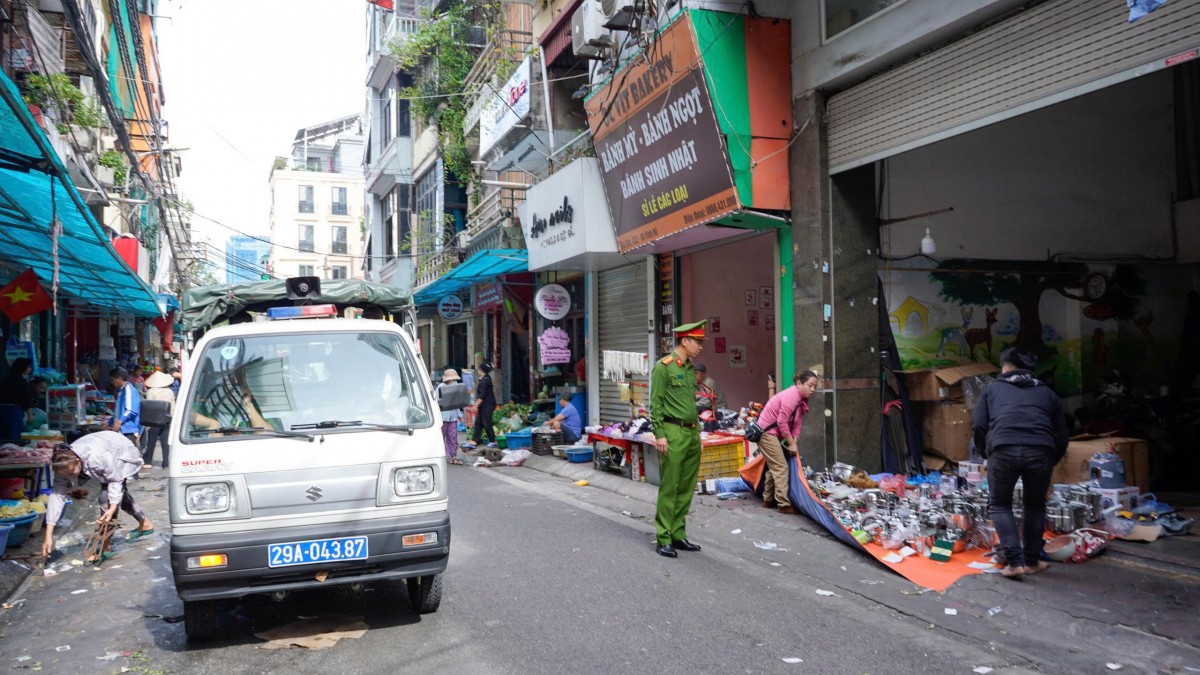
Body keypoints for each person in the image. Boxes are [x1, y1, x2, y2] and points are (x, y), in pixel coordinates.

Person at [972, 347, 1069, 579]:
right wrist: (1050, 460)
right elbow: (1063, 435)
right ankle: (1032, 562)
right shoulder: (1047, 393)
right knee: (1035, 505)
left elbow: (978, 426)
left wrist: (988, 454)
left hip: (1002, 450)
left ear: (1005, 367)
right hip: (1041, 451)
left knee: (1000, 504)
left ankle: (1015, 563)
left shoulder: (992, 390)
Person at [42, 431, 155, 564]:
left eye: (72, 473)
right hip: (102, 450)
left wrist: (112, 508)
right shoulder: (63, 464)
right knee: (117, 496)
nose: (70, 477)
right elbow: (57, 497)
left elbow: (115, 480)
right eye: (66, 475)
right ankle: (145, 524)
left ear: (78, 462)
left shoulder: (97, 458)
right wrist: (48, 536)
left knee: (106, 498)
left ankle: (104, 547)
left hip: (118, 450)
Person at [650, 320, 707, 558]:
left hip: (692, 433)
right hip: (673, 433)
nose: (701, 347)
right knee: (670, 486)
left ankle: (678, 533)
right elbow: (656, 403)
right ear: (685, 341)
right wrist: (660, 435)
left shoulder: (689, 369)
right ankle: (663, 536)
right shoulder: (664, 366)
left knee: (685, 487)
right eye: (698, 342)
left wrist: (698, 432)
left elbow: (690, 403)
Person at [755, 371, 820, 515]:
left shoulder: (802, 399)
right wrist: (791, 443)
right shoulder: (792, 396)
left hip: (774, 435)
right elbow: (782, 422)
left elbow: (797, 423)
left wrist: (794, 441)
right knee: (781, 467)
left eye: (815, 386)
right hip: (766, 434)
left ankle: (768, 499)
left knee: (776, 466)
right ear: (799, 384)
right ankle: (783, 504)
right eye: (810, 385)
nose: (813, 389)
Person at [141, 370, 175, 469]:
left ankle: (148, 461)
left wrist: (148, 423)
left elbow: (149, 406)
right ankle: (165, 463)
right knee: (165, 443)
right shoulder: (170, 391)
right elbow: (173, 406)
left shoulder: (151, 391)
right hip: (167, 419)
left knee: (151, 441)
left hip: (154, 420)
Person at [463, 362, 497, 449]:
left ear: (481, 370)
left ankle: (493, 440)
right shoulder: (485, 378)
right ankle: (475, 440)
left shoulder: (484, 381)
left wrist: (475, 406)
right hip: (484, 405)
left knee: (486, 422)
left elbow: (482, 395)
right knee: (478, 423)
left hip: (487, 405)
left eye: (478, 369)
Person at [436, 369, 466, 465]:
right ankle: (439, 456)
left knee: (453, 436)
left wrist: (459, 415)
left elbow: (455, 402)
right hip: (442, 416)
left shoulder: (455, 386)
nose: (451, 381)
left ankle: (453, 457)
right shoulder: (440, 387)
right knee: (441, 437)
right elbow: (436, 401)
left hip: (453, 416)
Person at [0, 357, 34, 433]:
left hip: (2, 409)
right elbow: (24, 398)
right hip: (13, 411)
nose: (30, 369)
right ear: (23, 367)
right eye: (29, 367)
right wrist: (30, 414)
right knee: (13, 435)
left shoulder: (5, 379)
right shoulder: (21, 381)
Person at [109, 367, 141, 446]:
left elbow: (130, 410)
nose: (112, 382)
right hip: (122, 429)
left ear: (119, 378)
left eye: (113, 380)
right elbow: (118, 412)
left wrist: (119, 422)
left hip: (128, 431)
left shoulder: (129, 390)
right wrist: (109, 422)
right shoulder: (121, 391)